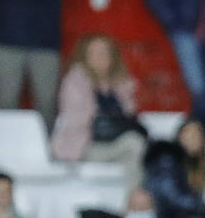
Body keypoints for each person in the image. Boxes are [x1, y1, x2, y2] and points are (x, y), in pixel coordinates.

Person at [51, 34, 146, 193]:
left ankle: (132, 205)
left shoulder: (121, 83)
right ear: (84, 56)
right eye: (94, 53)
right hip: (85, 144)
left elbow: (130, 116)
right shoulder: (74, 81)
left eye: (104, 52)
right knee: (133, 146)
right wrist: (100, 113)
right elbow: (75, 120)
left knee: (136, 152)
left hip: (115, 142)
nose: (100, 57)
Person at [0, 0, 70, 131]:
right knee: (5, 103)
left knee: (47, 103)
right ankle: (3, 147)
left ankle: (46, 150)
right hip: (6, 40)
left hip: (45, 42)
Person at [144, 119, 205, 218]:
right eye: (190, 135)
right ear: (179, 136)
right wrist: (204, 208)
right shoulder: (167, 160)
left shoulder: (191, 165)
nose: (195, 140)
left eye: (198, 135)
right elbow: (172, 197)